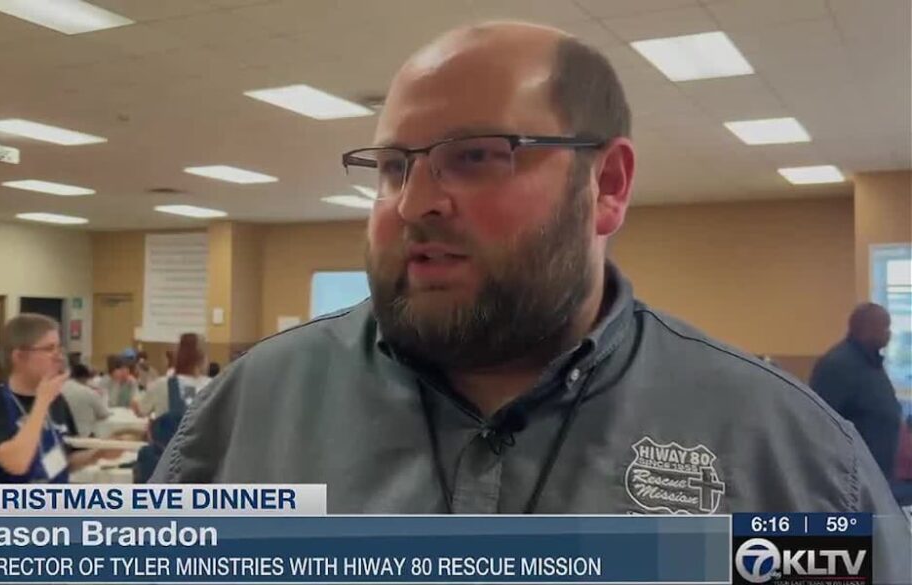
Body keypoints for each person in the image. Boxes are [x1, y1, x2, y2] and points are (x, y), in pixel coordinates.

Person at [149, 21, 910, 580]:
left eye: (476, 156)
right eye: (392, 167)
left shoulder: (790, 456)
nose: (414, 203)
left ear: (606, 186)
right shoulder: (250, 411)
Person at [0, 314, 108, 483]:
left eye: (59, 348)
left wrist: (97, 454)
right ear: (19, 356)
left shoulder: (57, 400)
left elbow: (65, 459)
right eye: (49, 349)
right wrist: (42, 402)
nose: (58, 357)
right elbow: (17, 463)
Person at [810, 303, 903, 480]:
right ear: (865, 328)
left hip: (877, 472)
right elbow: (822, 422)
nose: (889, 334)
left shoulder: (871, 361)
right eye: (885, 327)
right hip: (853, 476)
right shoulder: (839, 365)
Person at [136, 333, 210, 418]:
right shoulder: (213, 386)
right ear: (203, 359)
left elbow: (141, 411)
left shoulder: (162, 384)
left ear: (178, 356)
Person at [61, 363, 110, 439]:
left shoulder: (58, 389)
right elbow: (103, 414)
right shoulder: (88, 392)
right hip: (84, 437)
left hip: (62, 436)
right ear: (85, 378)